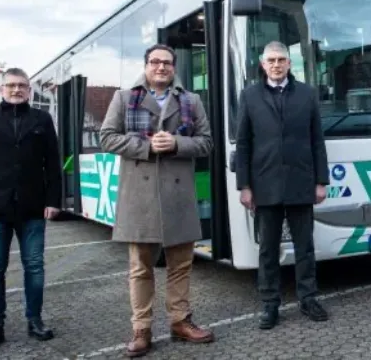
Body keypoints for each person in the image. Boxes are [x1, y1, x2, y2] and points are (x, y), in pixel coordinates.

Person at [99, 43, 215, 357]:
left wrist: (176, 143)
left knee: (181, 266)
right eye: (155, 62)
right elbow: (106, 137)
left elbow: (206, 142)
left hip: (178, 195)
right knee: (140, 268)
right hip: (140, 197)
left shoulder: (191, 100)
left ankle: (180, 322)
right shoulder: (124, 98)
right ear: (146, 65)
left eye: (166, 62)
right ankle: (142, 329)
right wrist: (147, 146)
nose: (161, 67)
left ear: (173, 67)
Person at [0, 68, 62, 352]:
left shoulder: (42, 120)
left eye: (22, 86)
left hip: (32, 208)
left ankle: (34, 321)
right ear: (1, 89)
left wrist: (53, 200)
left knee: (35, 267)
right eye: (11, 85)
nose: (16, 90)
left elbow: (53, 164)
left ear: (29, 90)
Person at [235, 40, 330, 329]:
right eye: (271, 60)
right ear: (263, 65)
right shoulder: (249, 96)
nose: (276, 65)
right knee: (268, 250)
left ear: (289, 63)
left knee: (305, 247)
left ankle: (308, 298)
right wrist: (244, 186)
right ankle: (270, 304)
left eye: (281, 60)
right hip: (264, 185)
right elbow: (243, 143)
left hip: (301, 183)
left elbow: (317, 140)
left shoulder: (307, 94)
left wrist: (321, 181)